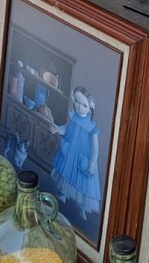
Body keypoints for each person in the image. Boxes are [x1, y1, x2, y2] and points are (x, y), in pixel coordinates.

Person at [49, 86, 102, 222]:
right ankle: (64, 194)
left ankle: (82, 207)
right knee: (66, 172)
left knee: (81, 180)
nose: (80, 107)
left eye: (84, 105)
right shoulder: (74, 117)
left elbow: (95, 147)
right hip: (70, 151)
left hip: (81, 154)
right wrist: (58, 129)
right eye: (77, 102)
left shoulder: (91, 127)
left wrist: (92, 162)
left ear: (90, 108)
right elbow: (66, 128)